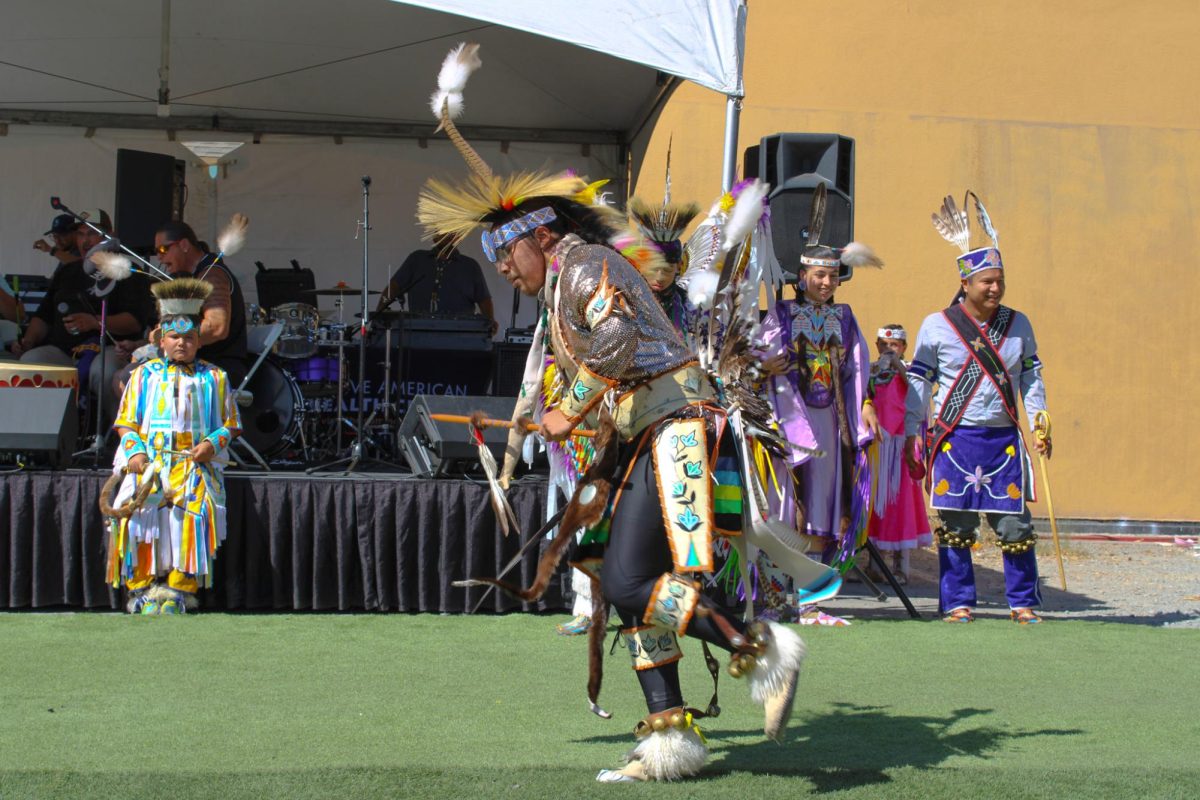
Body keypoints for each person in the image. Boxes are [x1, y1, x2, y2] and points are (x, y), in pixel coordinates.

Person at [416, 42, 808, 783]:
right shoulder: (563, 284)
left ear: (534, 238)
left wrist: (567, 406)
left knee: (632, 582)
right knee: (625, 580)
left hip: (675, 428)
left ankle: (761, 648)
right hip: (643, 436)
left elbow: (622, 338)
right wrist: (570, 416)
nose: (502, 271)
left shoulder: (586, 267)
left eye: (506, 257)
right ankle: (670, 740)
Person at [905, 193, 1051, 624]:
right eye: (986, 281)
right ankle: (958, 602)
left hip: (1002, 437)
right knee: (955, 528)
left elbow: (1031, 373)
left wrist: (1040, 417)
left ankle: (1022, 602)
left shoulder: (1018, 323)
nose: (994, 288)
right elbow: (920, 378)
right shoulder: (938, 325)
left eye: (999, 280)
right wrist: (916, 428)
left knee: (1014, 527)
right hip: (956, 438)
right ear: (965, 284)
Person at [756, 183, 882, 618]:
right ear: (802, 277)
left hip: (831, 421)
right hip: (788, 420)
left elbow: (859, 367)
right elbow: (760, 358)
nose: (826, 283)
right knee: (788, 504)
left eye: (832, 276)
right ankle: (777, 593)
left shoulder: (844, 317)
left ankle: (814, 596)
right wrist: (766, 365)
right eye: (819, 276)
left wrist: (865, 404)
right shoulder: (782, 314)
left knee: (827, 506)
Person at [104, 277, 242, 615]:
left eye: (189, 338)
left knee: (193, 518)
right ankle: (142, 591)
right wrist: (135, 451)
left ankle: (180, 591)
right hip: (149, 463)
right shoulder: (143, 376)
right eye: (175, 337)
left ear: (199, 342)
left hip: (193, 465)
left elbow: (231, 423)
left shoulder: (214, 377)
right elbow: (125, 421)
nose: (182, 344)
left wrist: (211, 444)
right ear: (161, 340)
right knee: (139, 518)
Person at [9, 209, 155, 411]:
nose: (85, 240)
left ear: (109, 236)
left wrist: (94, 322)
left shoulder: (129, 272)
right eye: (80, 234)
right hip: (64, 350)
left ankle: (113, 434)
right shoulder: (67, 271)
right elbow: (43, 316)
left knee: (103, 372)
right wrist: (29, 340)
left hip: (109, 348)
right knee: (30, 362)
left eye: (92, 233)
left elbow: (134, 321)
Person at [865, 324, 932, 583]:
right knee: (875, 503)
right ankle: (874, 563)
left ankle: (901, 567)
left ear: (903, 347)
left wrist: (899, 368)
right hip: (878, 445)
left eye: (894, 346)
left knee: (901, 503)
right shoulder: (871, 370)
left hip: (903, 443)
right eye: (883, 345)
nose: (888, 350)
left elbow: (918, 395)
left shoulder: (914, 369)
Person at [153, 220, 249, 389]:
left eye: (163, 249)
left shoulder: (213, 275)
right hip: (193, 364)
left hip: (217, 368)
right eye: (156, 251)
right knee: (130, 374)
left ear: (183, 245)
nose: (159, 257)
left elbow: (216, 327)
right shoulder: (192, 277)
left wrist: (168, 338)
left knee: (127, 378)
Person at [378, 232, 497, 334]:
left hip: (459, 336)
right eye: (443, 231)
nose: (448, 235)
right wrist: (377, 317)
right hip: (418, 335)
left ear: (458, 237)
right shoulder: (417, 259)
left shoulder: (470, 266)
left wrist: (490, 322)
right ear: (434, 236)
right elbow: (393, 287)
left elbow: (484, 299)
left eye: (452, 232)